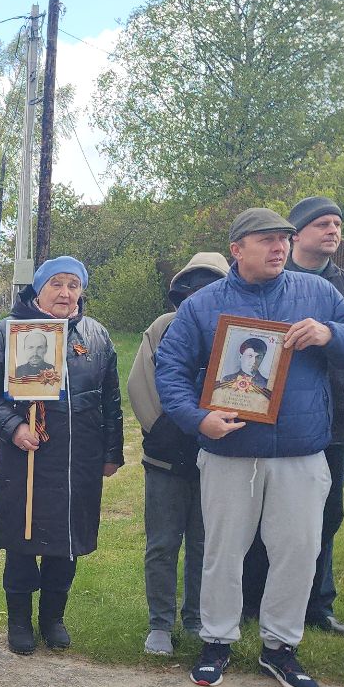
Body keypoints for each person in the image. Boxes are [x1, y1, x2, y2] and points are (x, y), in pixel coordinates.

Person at [154, 207, 344, 687]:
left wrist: (329, 333)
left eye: (284, 239)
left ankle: (280, 647)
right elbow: (168, 368)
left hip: (301, 450)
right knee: (223, 551)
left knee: (298, 551)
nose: (279, 247)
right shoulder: (204, 305)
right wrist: (198, 419)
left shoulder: (316, 294)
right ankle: (216, 641)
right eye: (267, 239)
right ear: (237, 249)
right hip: (231, 451)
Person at [0, 257, 123, 654]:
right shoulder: (8, 333)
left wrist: (111, 452)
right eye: (57, 284)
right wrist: (14, 427)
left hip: (79, 459)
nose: (65, 293)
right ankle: (18, 620)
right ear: (39, 289)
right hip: (27, 460)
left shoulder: (97, 336)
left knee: (66, 542)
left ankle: (53, 618)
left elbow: (111, 401)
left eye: (73, 285)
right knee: (23, 539)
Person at [240, 197, 344, 635]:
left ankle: (317, 603)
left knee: (323, 516)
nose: (333, 230)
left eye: (338, 223)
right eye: (322, 224)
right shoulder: (273, 278)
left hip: (334, 421)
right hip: (267, 419)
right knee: (261, 517)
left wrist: (330, 333)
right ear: (297, 234)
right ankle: (252, 601)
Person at [128, 251, 227, 655]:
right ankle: (160, 624)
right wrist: (164, 430)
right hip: (166, 458)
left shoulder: (235, 330)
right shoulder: (162, 328)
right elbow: (140, 384)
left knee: (207, 544)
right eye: (192, 289)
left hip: (218, 456)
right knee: (163, 543)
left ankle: (198, 617)